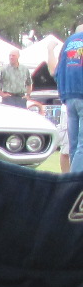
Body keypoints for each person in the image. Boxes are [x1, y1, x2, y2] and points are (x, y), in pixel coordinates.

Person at [52, 21, 83, 174]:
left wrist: (63, 93)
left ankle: (72, 177)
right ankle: (75, 183)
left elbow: (57, 72)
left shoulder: (69, 42)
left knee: (74, 144)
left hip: (69, 97)